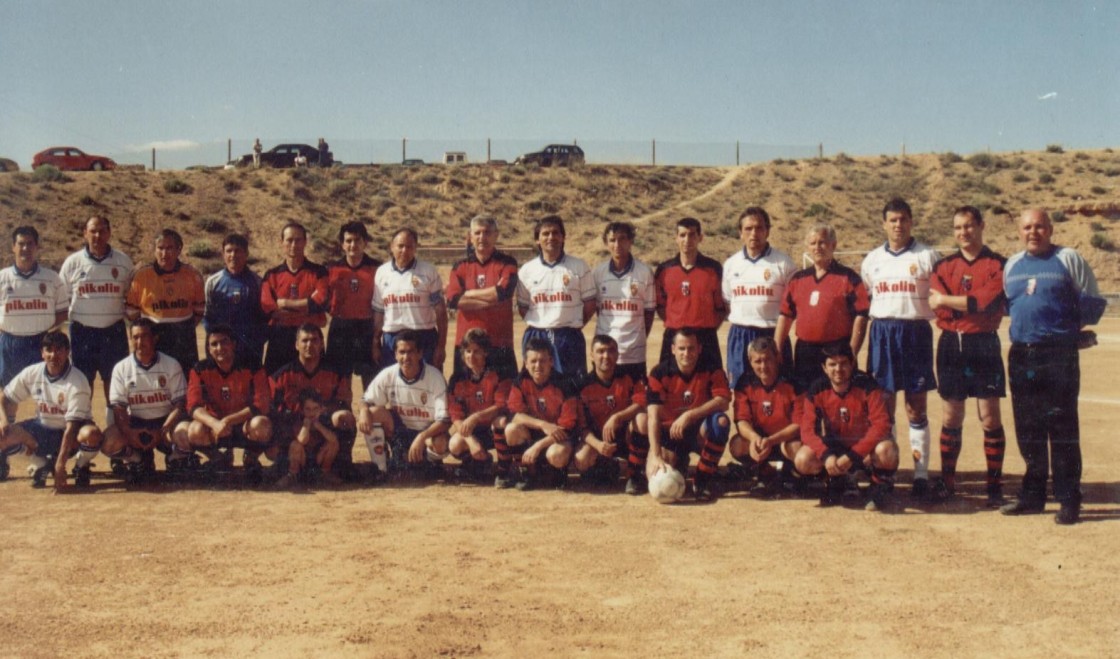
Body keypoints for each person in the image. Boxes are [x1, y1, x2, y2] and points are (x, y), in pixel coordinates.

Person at [1000, 209, 1105, 525]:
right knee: (1028, 428)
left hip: (1058, 355)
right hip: (1022, 354)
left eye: (1040, 226)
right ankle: (1032, 496)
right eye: (1027, 227)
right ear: (1019, 231)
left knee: (1061, 428)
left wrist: (1067, 331)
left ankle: (1069, 499)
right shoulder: (1013, 265)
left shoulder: (1069, 258)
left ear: (1050, 228)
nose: (1034, 232)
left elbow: (1094, 303)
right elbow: (1011, 304)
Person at [927, 206, 1008, 506]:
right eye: (958, 227)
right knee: (952, 415)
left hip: (984, 343)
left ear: (981, 226)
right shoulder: (943, 265)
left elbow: (984, 303)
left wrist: (952, 300)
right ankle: (947, 483)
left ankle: (995, 487)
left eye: (969, 226)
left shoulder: (999, 265)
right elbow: (938, 307)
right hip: (952, 343)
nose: (963, 233)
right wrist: (962, 303)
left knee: (989, 416)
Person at [859, 198, 940, 498]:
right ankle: (887, 472)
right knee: (884, 407)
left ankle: (920, 476)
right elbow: (868, 295)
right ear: (884, 223)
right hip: (882, 333)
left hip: (916, 333)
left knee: (915, 407)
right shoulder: (871, 260)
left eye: (903, 219)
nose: (898, 225)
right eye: (892, 220)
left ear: (911, 221)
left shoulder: (929, 256)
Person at [796, 344, 898, 511]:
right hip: (837, 449)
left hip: (864, 451)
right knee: (803, 459)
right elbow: (807, 431)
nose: (838, 369)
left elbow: (881, 425)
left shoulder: (867, 385)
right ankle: (836, 481)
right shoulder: (817, 389)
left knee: (886, 449)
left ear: (852, 364)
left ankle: (877, 486)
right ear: (824, 367)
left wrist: (854, 455)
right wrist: (826, 456)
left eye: (843, 363)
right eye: (832, 364)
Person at [0, 332, 102, 489]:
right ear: (42, 353)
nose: (53, 355)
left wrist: (61, 462)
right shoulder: (32, 372)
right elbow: (4, 397)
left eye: (59, 350)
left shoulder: (77, 380)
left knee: (92, 435)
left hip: (72, 434)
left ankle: (81, 465)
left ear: (68, 352)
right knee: (2, 436)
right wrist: (4, 420)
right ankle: (41, 464)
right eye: (49, 350)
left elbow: (72, 427)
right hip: (43, 429)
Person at [774, 223, 870, 391]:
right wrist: (777, 349)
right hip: (805, 352)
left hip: (837, 351)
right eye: (813, 243)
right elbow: (785, 316)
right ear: (807, 247)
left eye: (822, 242)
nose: (817, 247)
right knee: (807, 401)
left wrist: (852, 352)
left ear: (833, 245)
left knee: (838, 401)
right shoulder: (797, 279)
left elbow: (861, 316)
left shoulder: (849, 278)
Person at [643, 328, 732, 502]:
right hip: (671, 433)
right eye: (682, 348)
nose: (686, 353)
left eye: (691, 348)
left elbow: (723, 401)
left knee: (720, 421)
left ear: (699, 348)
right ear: (673, 349)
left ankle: (702, 480)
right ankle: (680, 462)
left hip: (699, 431)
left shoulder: (711, 368)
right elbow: (653, 416)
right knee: (656, 476)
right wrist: (656, 456)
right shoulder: (659, 373)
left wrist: (690, 415)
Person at [179, 324, 273, 481]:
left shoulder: (253, 366)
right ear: (208, 349)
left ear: (233, 344)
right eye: (214, 344)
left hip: (243, 424)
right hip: (215, 427)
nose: (219, 348)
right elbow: (193, 406)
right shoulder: (200, 369)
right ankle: (218, 458)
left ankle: (251, 458)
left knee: (261, 424)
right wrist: (215, 423)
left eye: (224, 342)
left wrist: (228, 420)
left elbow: (261, 404)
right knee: (195, 430)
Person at [59, 215, 134, 405]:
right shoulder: (72, 263)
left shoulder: (123, 262)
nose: (97, 235)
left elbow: (130, 295)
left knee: (115, 380)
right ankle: (84, 425)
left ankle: (114, 427)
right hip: (83, 332)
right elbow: (61, 297)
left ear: (109, 233)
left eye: (102, 231)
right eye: (93, 231)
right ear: (85, 233)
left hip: (113, 330)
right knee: (83, 382)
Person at [101, 319, 188, 482]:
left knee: (186, 432)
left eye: (145, 336)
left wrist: (162, 431)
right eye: (135, 337)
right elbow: (119, 409)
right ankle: (137, 459)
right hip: (137, 425)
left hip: (165, 425)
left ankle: (174, 458)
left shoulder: (171, 364)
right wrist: (130, 434)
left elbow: (180, 404)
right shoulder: (121, 368)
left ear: (155, 338)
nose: (140, 342)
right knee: (108, 442)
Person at [268, 324, 355, 486]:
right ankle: (288, 468)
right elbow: (272, 409)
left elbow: (343, 404)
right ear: (296, 345)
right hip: (295, 431)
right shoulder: (282, 375)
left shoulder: (335, 373)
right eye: (305, 340)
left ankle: (337, 464)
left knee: (345, 417)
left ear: (322, 344)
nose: (309, 345)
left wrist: (321, 416)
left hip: (324, 428)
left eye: (314, 340)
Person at [358, 330, 451, 480]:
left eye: (411, 352)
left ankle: (431, 466)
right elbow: (365, 400)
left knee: (440, 442)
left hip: (426, 433)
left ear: (420, 353)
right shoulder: (388, 374)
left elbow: (445, 420)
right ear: (395, 354)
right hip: (400, 431)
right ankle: (382, 469)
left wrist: (422, 437)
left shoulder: (435, 377)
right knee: (372, 412)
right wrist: (363, 411)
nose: (406, 357)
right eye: (401, 352)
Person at [722, 207, 796, 389]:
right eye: (748, 229)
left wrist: (778, 342)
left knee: (779, 389)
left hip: (772, 333)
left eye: (759, 228)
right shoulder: (731, 264)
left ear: (767, 231)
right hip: (740, 335)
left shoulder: (784, 263)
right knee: (740, 389)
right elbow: (728, 300)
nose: (754, 233)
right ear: (740, 233)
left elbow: (792, 306)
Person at [515, 216, 596, 379]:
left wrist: (571, 325)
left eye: (555, 233)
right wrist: (543, 323)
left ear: (563, 237)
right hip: (537, 336)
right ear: (537, 240)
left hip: (568, 337)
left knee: (571, 388)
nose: (551, 237)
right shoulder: (527, 270)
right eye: (545, 234)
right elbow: (523, 307)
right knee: (535, 387)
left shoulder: (578, 266)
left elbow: (590, 304)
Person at [445, 214, 520, 380]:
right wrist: (491, 296)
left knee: (504, 398)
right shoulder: (460, 266)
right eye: (477, 233)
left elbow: (503, 292)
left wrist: (469, 294)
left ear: (496, 235)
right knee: (465, 396)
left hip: (499, 344)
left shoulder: (508, 263)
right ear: (470, 237)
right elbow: (453, 300)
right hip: (466, 346)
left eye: (487, 232)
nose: (482, 237)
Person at [729, 336, 804, 495]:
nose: (763, 366)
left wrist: (773, 440)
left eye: (768, 359)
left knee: (796, 448)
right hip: (761, 441)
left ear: (777, 357)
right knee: (737, 445)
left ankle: (791, 474)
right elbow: (741, 420)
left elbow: (799, 424)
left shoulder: (793, 382)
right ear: (750, 361)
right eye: (757, 361)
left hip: (785, 440)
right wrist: (754, 438)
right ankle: (764, 472)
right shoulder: (744, 382)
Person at [503, 336, 580, 490]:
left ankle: (557, 472)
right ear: (525, 363)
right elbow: (514, 414)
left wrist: (538, 446)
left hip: (558, 437)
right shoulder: (521, 381)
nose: (538, 366)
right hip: (537, 432)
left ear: (551, 361)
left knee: (556, 454)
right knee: (511, 429)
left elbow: (567, 427)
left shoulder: (565, 385)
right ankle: (524, 471)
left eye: (542, 361)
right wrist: (542, 424)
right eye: (533, 361)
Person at [573, 334, 648, 490]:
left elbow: (642, 403)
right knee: (581, 459)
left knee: (642, 419)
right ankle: (610, 466)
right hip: (599, 440)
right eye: (600, 351)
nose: (606, 356)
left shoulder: (629, 376)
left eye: (611, 351)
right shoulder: (582, 385)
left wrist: (618, 417)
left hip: (626, 437)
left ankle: (634, 475)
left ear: (617, 355)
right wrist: (598, 445)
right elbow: (582, 427)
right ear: (591, 355)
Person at [125, 228, 205, 373]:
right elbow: (132, 312)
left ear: (179, 249)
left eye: (169, 248)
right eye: (160, 248)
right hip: (154, 336)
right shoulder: (142, 276)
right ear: (154, 250)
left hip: (183, 337)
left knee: (185, 380)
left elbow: (199, 310)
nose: (164, 253)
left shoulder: (192, 275)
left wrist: (181, 325)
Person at [654, 217, 726, 373]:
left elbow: (721, 308)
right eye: (682, 235)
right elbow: (660, 306)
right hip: (674, 336)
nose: (687, 240)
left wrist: (706, 326)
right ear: (676, 238)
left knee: (710, 386)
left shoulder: (713, 268)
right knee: (670, 386)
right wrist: (677, 321)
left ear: (700, 237)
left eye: (692, 235)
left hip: (705, 338)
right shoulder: (665, 270)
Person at [0, 226, 69, 384]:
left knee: (43, 390)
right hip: (10, 343)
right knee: (8, 392)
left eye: (30, 244)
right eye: (21, 244)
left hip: (40, 343)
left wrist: (49, 333)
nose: (25, 248)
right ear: (13, 247)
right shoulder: (2, 278)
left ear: (37, 247)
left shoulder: (52, 279)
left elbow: (62, 312)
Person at [372, 228, 447, 372]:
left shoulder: (428, 271)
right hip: (392, 339)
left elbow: (441, 311)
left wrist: (441, 346)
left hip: (424, 337)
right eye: (400, 246)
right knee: (394, 388)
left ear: (415, 248)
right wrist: (376, 342)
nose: (404, 250)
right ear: (392, 247)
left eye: (409, 246)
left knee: (428, 386)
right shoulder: (382, 272)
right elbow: (379, 311)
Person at [260, 222, 329, 376]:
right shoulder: (271, 275)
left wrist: (285, 303)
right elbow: (269, 309)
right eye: (289, 240)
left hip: (310, 339)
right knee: (274, 386)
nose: (294, 244)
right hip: (279, 339)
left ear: (305, 242)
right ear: (282, 242)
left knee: (314, 387)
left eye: (298, 240)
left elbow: (320, 302)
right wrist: (308, 310)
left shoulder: (319, 272)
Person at [592, 222, 656, 382]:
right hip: (604, 352)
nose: (617, 244)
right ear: (606, 243)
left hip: (634, 353)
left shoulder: (644, 272)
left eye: (622, 239)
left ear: (631, 241)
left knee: (636, 402)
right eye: (612, 240)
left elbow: (648, 312)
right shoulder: (598, 272)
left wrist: (638, 337)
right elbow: (599, 310)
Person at [446, 329, 511, 483]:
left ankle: (503, 469)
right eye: (467, 351)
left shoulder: (498, 374)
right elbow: (455, 416)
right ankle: (478, 464)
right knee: (455, 444)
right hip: (473, 431)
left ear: (486, 353)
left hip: (493, 428)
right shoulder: (457, 379)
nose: (471, 356)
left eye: (477, 351)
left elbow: (501, 405)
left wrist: (476, 416)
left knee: (501, 421)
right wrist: (471, 441)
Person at [325, 221, 382, 388]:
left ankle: (370, 414)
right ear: (342, 244)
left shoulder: (377, 268)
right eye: (348, 241)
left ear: (365, 242)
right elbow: (324, 297)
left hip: (367, 328)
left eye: (357, 240)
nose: (353, 245)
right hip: (340, 328)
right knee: (340, 383)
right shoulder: (332, 269)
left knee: (371, 383)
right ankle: (344, 414)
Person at [204, 233, 267, 366]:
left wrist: (257, 342)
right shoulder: (213, 282)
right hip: (222, 349)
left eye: (238, 251)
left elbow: (264, 318)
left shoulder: (257, 282)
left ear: (246, 253)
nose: (233, 255)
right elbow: (208, 317)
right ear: (223, 254)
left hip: (249, 348)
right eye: (229, 251)